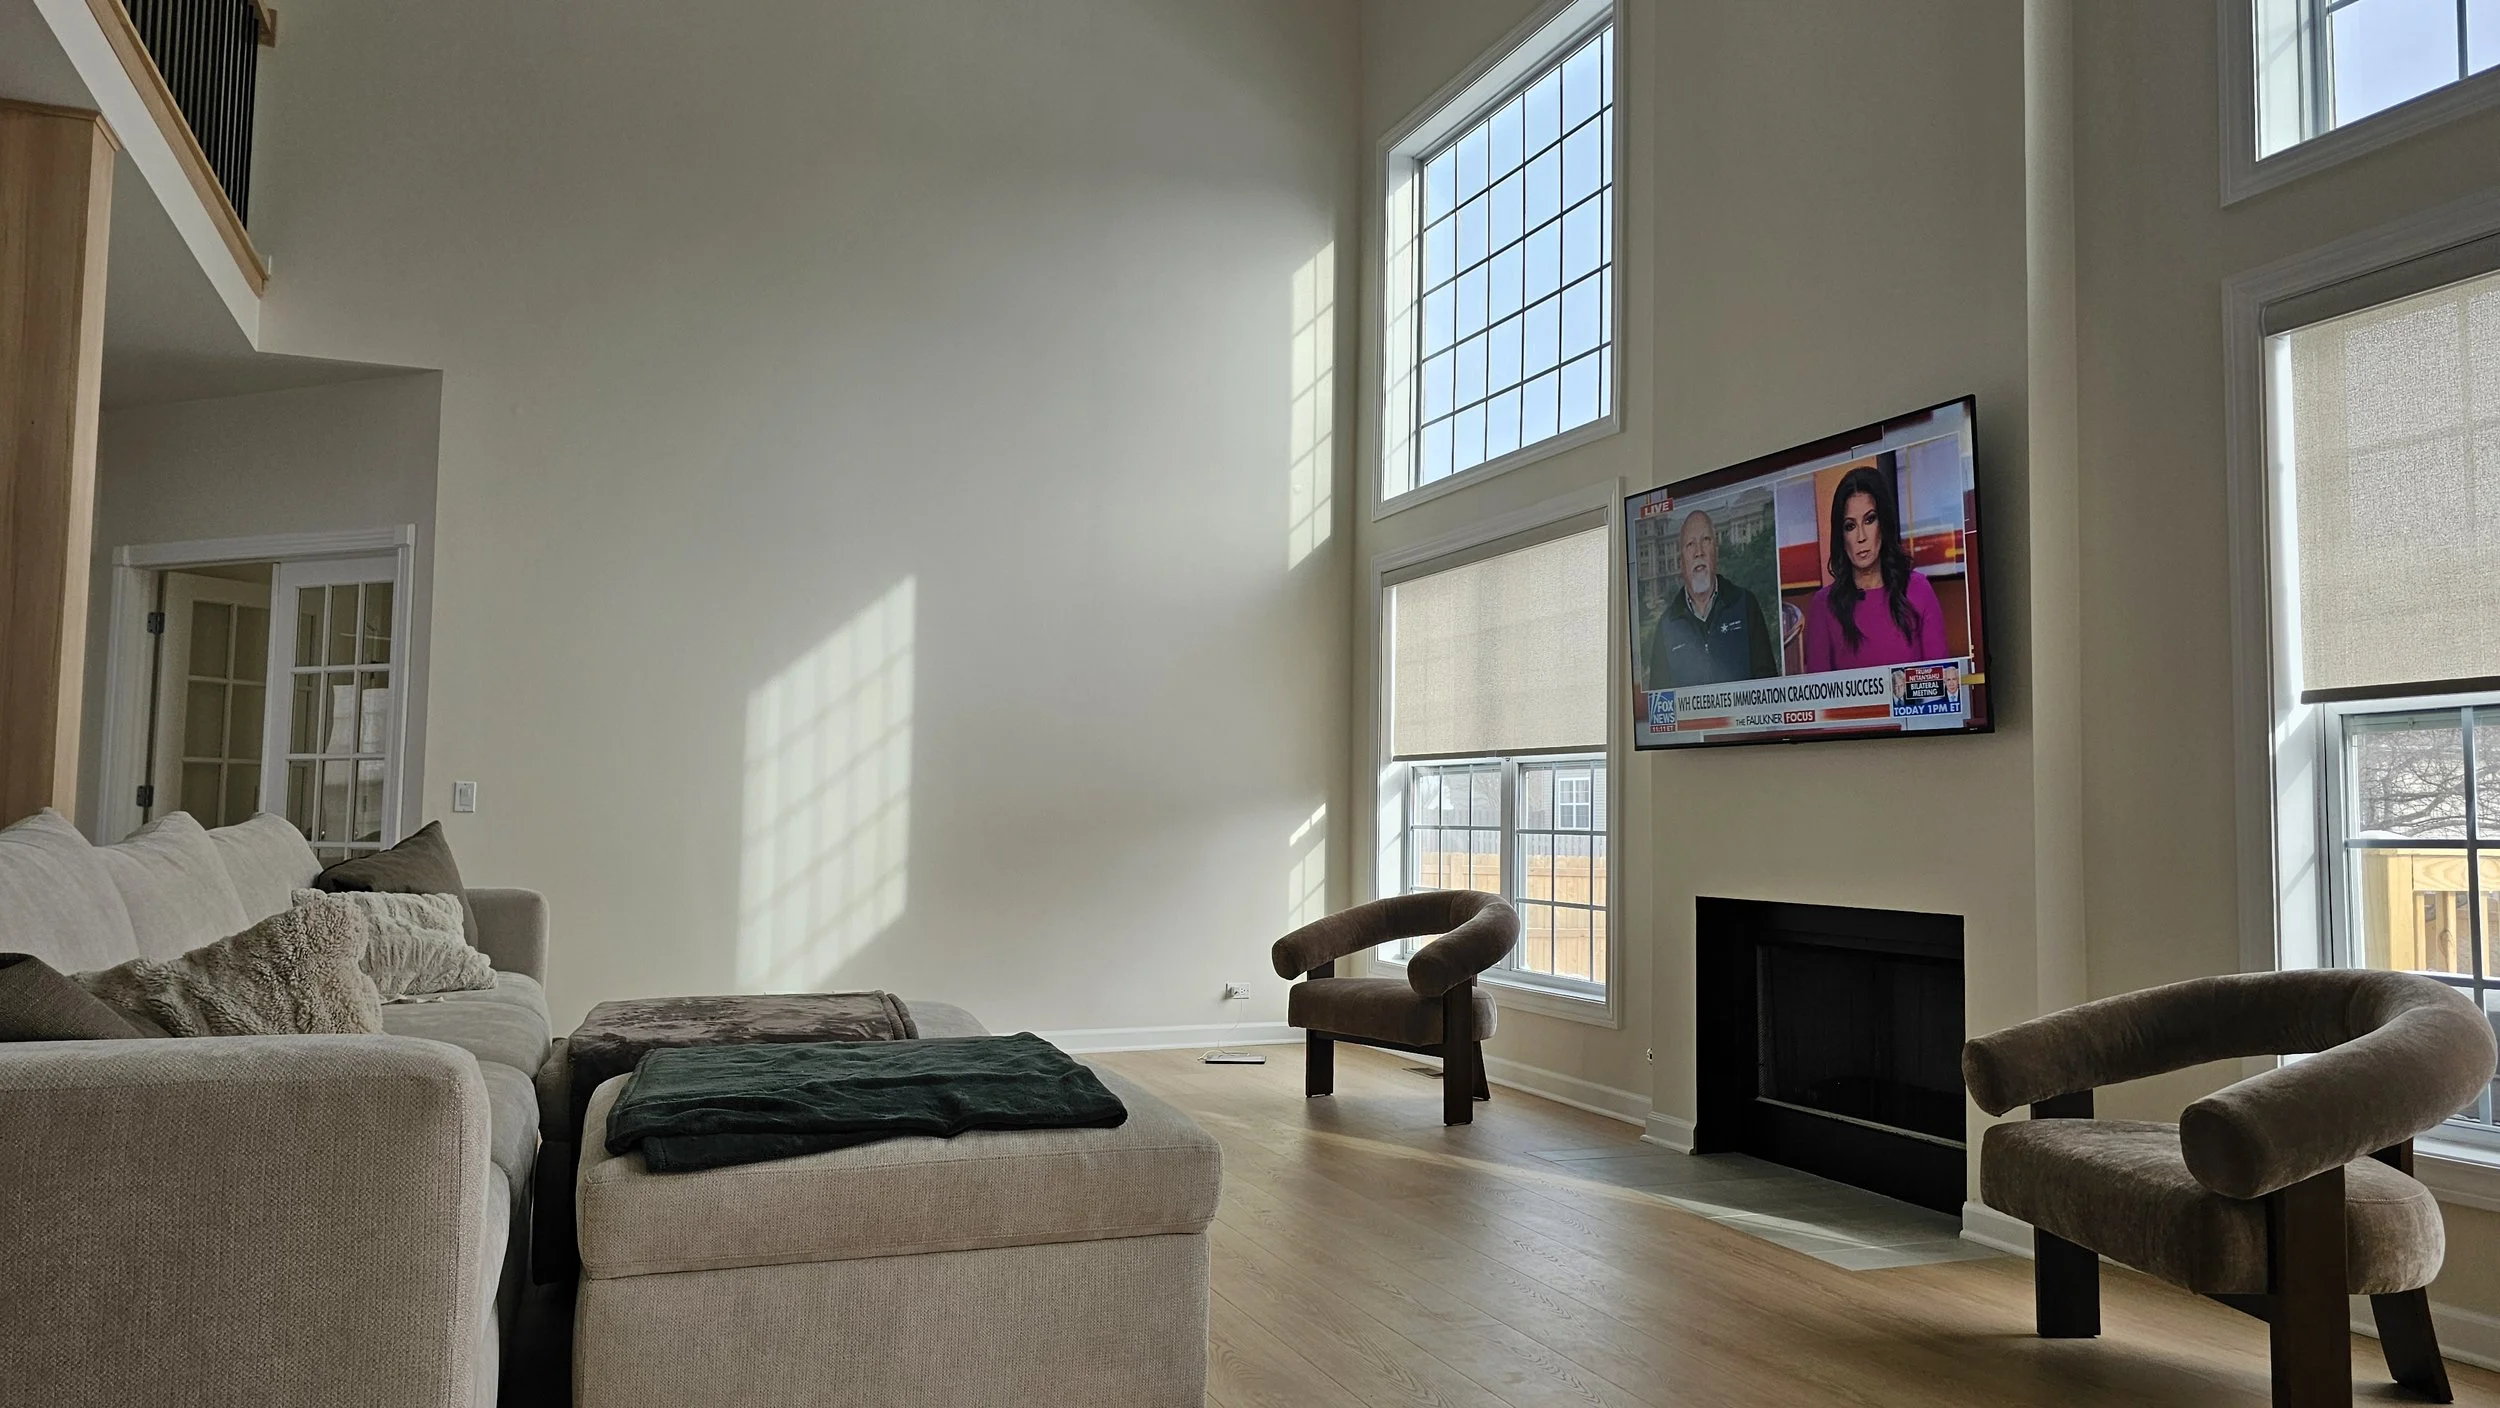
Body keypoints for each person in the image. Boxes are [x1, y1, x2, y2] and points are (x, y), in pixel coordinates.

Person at [1803, 465, 1948, 671]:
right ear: (1841, 536)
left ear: (1884, 523)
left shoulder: (1919, 590)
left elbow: (1940, 683)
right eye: (1850, 526)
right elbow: (1819, 690)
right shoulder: (1823, 606)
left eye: (1870, 520)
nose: (1861, 537)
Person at [1649, 508, 1777, 687]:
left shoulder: (1746, 604)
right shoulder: (1666, 626)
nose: (1698, 552)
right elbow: (1660, 699)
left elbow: (1769, 685)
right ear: (1681, 563)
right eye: (1690, 544)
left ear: (1716, 553)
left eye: (1706, 540)